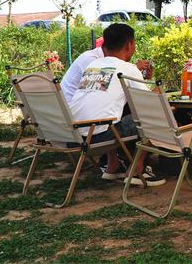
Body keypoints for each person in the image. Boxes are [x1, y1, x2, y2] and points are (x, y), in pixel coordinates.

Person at [67, 23, 165, 186]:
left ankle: (113, 165)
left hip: (73, 136)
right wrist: (158, 92)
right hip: (98, 138)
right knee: (154, 116)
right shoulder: (128, 68)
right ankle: (137, 169)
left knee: (108, 113)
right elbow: (147, 103)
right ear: (129, 45)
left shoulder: (93, 65)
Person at [60, 42, 152, 103]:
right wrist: (134, 69)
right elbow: (101, 87)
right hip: (75, 116)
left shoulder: (99, 60)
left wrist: (137, 77)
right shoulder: (92, 60)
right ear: (128, 46)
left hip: (75, 113)